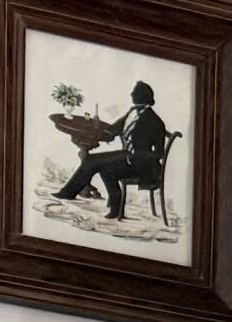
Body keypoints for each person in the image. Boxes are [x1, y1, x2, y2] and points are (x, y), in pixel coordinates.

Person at [52, 80, 171, 224]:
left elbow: (159, 154)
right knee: (90, 160)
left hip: (143, 165)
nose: (131, 94)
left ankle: (115, 208)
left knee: (107, 169)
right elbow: (115, 129)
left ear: (142, 96)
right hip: (127, 155)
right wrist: (101, 132)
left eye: (134, 92)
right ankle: (68, 193)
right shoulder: (132, 112)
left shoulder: (155, 121)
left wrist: (136, 157)